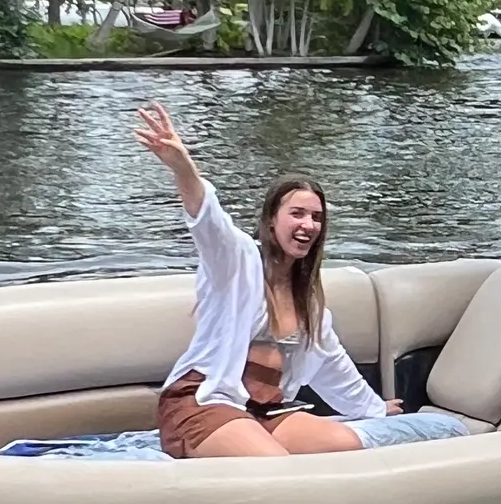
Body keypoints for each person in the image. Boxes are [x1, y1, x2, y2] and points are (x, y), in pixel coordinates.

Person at [136, 104, 410, 459]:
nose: (308, 224)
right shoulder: (236, 262)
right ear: (270, 221)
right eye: (296, 213)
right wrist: (183, 169)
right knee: (278, 468)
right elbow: (210, 223)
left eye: (316, 217)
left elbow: (332, 364)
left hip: (264, 412)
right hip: (204, 404)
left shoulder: (308, 302)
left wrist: (375, 410)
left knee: (349, 448)